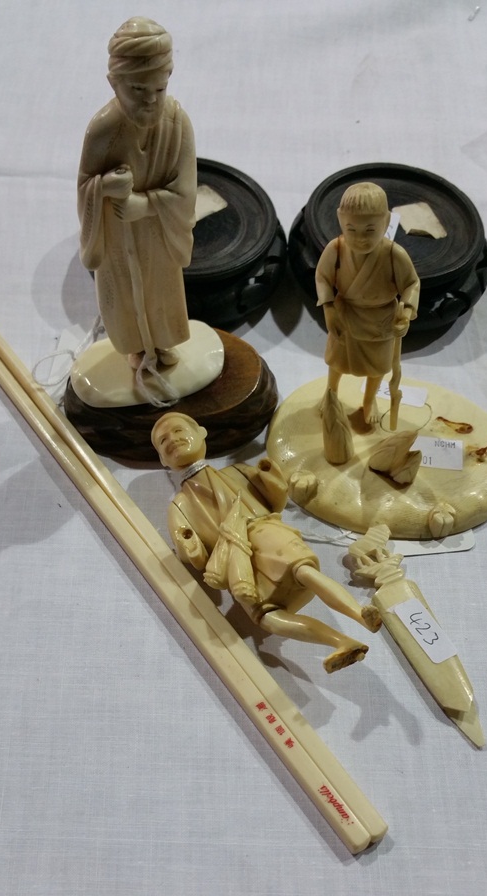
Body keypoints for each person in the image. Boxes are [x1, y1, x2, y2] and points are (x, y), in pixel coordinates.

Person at [151, 412, 382, 674]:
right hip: (236, 564)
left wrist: (270, 478)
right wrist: (190, 547)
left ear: (202, 433)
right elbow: (197, 558)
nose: (172, 440)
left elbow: (275, 501)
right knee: (269, 618)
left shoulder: (237, 471)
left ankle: (360, 614)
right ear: (162, 459)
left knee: (304, 572)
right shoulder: (180, 506)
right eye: (162, 441)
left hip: (264, 531)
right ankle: (343, 642)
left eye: (179, 431)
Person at [77, 17, 196, 381]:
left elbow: (186, 191)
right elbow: (85, 185)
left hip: (158, 234)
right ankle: (136, 350)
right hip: (117, 238)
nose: (150, 100)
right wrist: (104, 188)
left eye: (158, 90)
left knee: (160, 292)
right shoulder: (103, 129)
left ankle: (161, 345)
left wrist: (142, 205)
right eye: (138, 90)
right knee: (125, 294)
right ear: (115, 83)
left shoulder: (177, 124)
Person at [316, 182, 420, 427]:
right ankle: (330, 393)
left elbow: (411, 284)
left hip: (381, 318)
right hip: (345, 313)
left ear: (386, 222)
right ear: (341, 221)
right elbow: (322, 277)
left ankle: (369, 399)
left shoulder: (394, 254)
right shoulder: (336, 249)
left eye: (370, 230)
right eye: (351, 230)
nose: (360, 239)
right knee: (337, 360)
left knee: (377, 366)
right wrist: (329, 308)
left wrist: (406, 309)